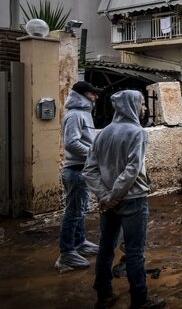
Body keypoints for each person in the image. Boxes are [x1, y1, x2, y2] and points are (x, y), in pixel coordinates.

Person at [83, 90, 164, 309]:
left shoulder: (104, 133)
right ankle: (140, 300)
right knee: (135, 252)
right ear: (131, 106)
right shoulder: (137, 133)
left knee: (105, 249)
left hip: (109, 204)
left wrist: (105, 196)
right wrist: (112, 196)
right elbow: (132, 169)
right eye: (142, 104)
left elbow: (89, 170)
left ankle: (104, 295)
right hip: (132, 200)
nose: (144, 108)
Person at [55, 81, 101, 273]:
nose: (96, 97)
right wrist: (95, 154)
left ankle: (80, 242)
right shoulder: (74, 115)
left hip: (83, 169)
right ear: (82, 95)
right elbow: (72, 144)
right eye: (92, 93)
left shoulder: (84, 114)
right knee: (73, 212)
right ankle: (66, 254)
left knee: (80, 210)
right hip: (75, 170)